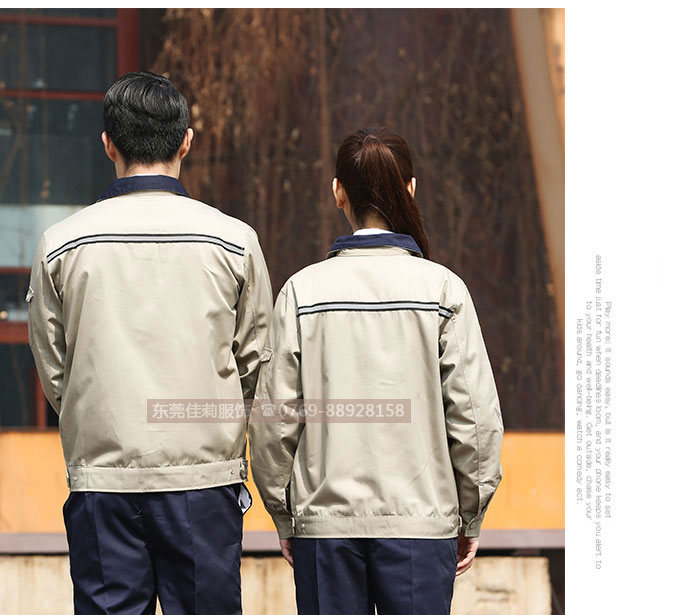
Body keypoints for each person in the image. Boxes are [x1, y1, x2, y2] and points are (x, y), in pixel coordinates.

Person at [27, 71, 273, 615]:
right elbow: (257, 363)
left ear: (107, 144)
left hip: (103, 481)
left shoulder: (61, 245)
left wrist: (99, 417)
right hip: (204, 481)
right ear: (186, 141)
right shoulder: (234, 242)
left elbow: (55, 369)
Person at [248, 127, 503, 615]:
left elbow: (273, 424)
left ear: (337, 192)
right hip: (420, 527)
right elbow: (475, 421)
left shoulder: (301, 292)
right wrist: (470, 514)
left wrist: (284, 514)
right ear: (411, 188)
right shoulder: (444, 291)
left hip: (325, 530)